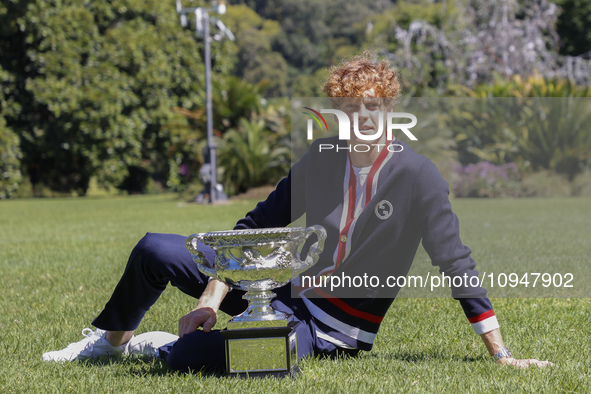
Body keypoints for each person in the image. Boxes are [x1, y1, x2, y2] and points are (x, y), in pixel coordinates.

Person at [42, 53, 552, 370]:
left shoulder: (418, 177)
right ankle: (111, 344)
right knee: (154, 247)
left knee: (192, 358)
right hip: (278, 291)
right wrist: (210, 301)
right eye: (349, 111)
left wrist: (501, 355)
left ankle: (159, 348)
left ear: (389, 111)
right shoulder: (320, 161)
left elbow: (454, 262)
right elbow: (252, 229)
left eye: (371, 109)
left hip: (331, 327)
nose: (360, 121)